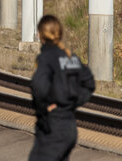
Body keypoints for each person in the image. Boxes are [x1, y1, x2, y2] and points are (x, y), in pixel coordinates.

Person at [28, 15, 95, 161]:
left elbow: (39, 87)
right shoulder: (71, 57)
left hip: (52, 127)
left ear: (40, 35)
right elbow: (89, 83)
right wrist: (73, 102)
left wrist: (44, 109)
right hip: (69, 126)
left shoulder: (46, 58)